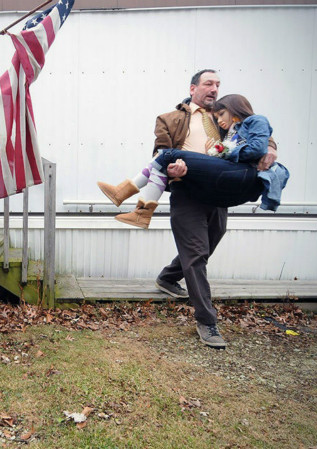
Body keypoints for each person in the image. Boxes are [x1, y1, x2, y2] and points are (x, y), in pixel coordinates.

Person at [98, 69, 278, 349]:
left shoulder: (226, 116)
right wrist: (173, 169)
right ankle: (207, 321)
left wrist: (271, 150)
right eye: (208, 83)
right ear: (193, 88)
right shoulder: (170, 118)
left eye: (218, 84)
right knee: (196, 255)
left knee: (207, 246)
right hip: (187, 190)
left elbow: (256, 134)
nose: (214, 88)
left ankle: (167, 278)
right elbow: (160, 153)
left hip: (219, 192)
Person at [100, 93, 288, 228]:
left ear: (233, 109)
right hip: (219, 174)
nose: (220, 120)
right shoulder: (232, 128)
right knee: (163, 160)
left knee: (167, 155)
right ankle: (140, 211)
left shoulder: (254, 120)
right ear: (193, 88)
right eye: (209, 84)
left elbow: (258, 146)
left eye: (221, 115)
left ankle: (125, 194)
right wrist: (215, 153)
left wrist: (223, 152)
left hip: (240, 173)